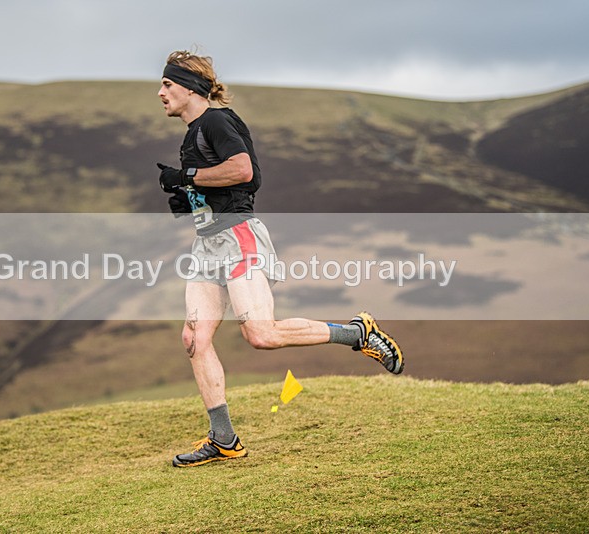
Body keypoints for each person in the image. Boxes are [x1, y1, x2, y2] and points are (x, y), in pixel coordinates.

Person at [157, 50, 404, 468]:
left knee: (262, 334)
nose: (160, 92)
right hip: (207, 244)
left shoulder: (217, 120)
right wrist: (190, 200)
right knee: (194, 340)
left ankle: (358, 333)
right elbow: (226, 181)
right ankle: (224, 440)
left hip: (238, 237)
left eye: (167, 84)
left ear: (190, 86)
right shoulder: (192, 133)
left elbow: (243, 171)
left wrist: (187, 178)